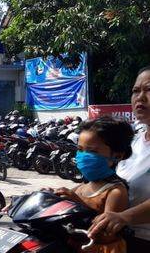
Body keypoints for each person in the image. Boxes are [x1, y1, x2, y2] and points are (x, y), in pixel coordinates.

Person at [89, 66, 150, 251]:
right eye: (135, 91)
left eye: (149, 89)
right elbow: (113, 186)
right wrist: (73, 195)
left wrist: (125, 217)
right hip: (123, 239)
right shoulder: (134, 141)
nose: (140, 97)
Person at [54, 117, 134, 253]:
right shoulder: (82, 187)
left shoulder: (116, 192)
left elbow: (107, 233)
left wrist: (77, 202)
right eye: (80, 149)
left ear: (117, 156)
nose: (83, 156)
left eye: (92, 151)